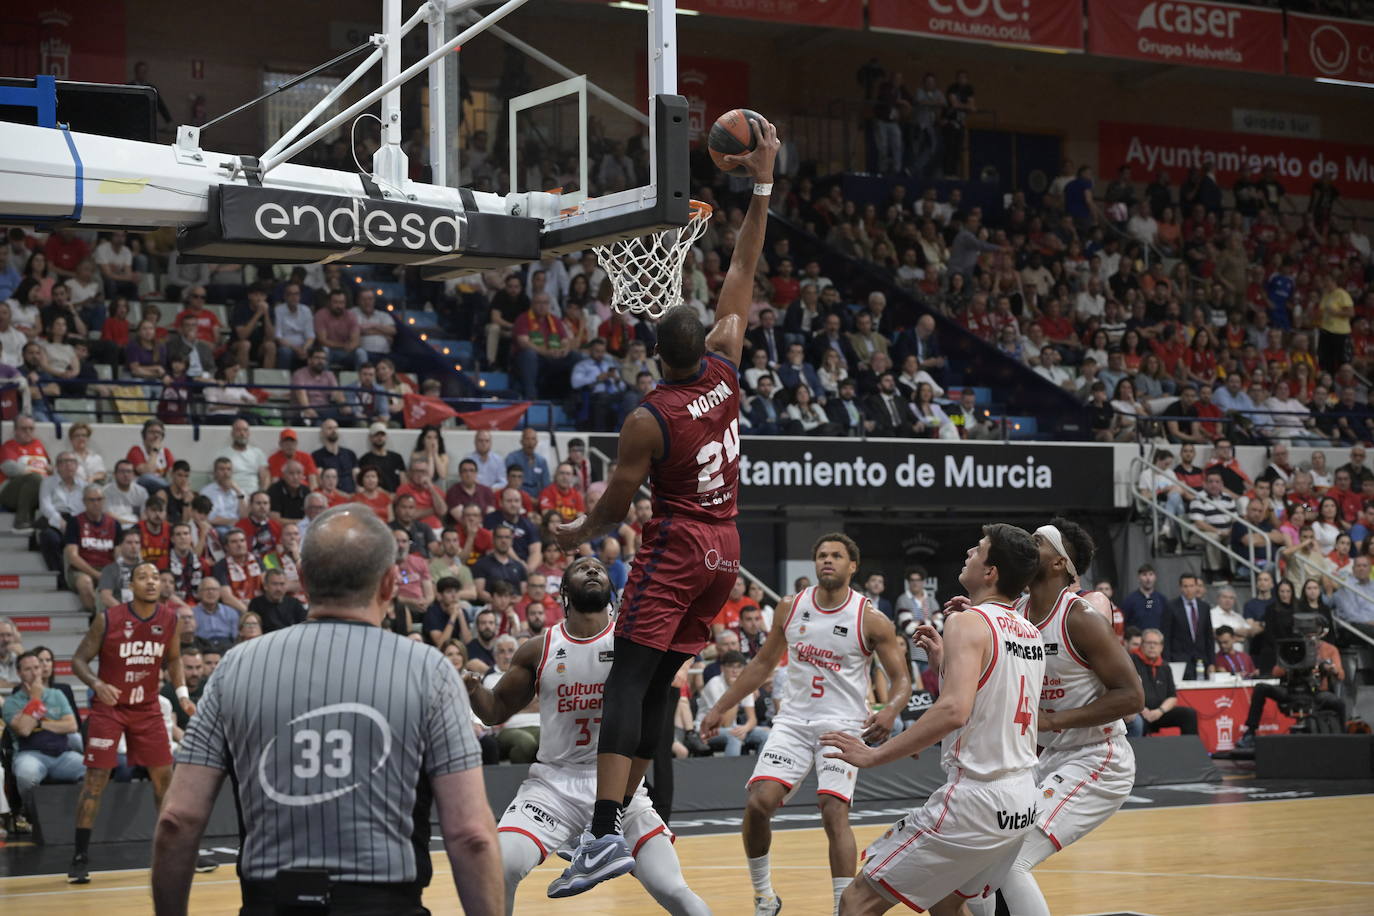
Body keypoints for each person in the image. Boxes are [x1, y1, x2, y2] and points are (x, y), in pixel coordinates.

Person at [547, 117, 778, 896]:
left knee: (626, 682)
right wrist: (765, 184)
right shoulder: (727, 367)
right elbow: (744, 262)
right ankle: (629, 812)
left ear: (656, 353)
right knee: (657, 687)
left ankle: (604, 832)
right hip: (727, 550)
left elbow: (613, 507)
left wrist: (576, 528)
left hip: (680, 545)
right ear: (708, 338)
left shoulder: (650, 416)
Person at [150, 505, 503, 915]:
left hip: (271, 901)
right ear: (390, 583)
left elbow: (177, 820)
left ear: (302, 580)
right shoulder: (431, 672)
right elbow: (472, 835)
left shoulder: (235, 667)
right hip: (386, 902)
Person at [465, 556, 708, 915]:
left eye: (598, 568)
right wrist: (472, 687)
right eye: (581, 568)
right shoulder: (539, 648)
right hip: (554, 788)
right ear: (563, 592)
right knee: (497, 866)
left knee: (673, 888)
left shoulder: (633, 645)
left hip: (619, 792)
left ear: (612, 591)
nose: (592, 570)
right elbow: (495, 710)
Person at [822, 524, 1043, 916]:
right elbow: (984, 700)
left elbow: (954, 711)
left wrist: (875, 755)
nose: (969, 553)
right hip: (1023, 799)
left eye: (977, 550)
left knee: (856, 902)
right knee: (946, 904)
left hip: (977, 798)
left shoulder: (968, 622)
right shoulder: (1029, 632)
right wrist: (944, 663)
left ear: (990, 572)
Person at [699, 533, 910, 916]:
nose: (827, 561)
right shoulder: (789, 607)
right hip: (793, 722)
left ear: (852, 565)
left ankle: (840, 908)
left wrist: (891, 710)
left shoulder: (871, 618)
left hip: (843, 723)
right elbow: (762, 664)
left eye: (836, 556)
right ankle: (764, 896)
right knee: (758, 804)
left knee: (833, 809)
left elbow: (902, 680)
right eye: (822, 555)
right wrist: (720, 706)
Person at [967, 520, 1143, 916]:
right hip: (1046, 759)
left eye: (1037, 543)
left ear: (1061, 563)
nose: (1029, 547)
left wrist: (1053, 721)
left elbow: (1132, 696)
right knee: (974, 863)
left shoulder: (1079, 617)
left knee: (1011, 863)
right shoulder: (1018, 613)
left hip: (1099, 758)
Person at [68, 561, 202, 883]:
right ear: (132, 585)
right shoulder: (108, 619)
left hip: (147, 708)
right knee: (95, 780)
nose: (151, 582)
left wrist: (182, 693)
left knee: (164, 780)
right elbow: (78, 661)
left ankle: (173, 853)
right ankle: (79, 855)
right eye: (143, 577)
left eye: (156, 577)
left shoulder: (169, 619)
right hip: (109, 709)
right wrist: (97, 684)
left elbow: (172, 659)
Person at [4, 650, 84, 797]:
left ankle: (78, 811)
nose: (34, 673)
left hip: (62, 754)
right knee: (26, 774)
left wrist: (40, 725)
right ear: (19, 673)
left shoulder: (57, 694)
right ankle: (27, 814)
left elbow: (72, 726)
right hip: (30, 754)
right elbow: (24, 730)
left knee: (92, 770)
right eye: (28, 669)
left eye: (36, 667)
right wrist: (36, 698)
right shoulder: (11, 703)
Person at [1125, 629, 1198, 736]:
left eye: (1155, 643)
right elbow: (1126, 692)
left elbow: (1172, 696)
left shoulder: (1165, 667)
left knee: (1188, 714)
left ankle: (1190, 751)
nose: (1152, 646)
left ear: (1161, 647)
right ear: (1141, 645)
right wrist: (1141, 709)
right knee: (1136, 721)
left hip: (1159, 712)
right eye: (1148, 643)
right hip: (1139, 711)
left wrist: (1160, 711)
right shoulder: (1130, 661)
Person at [1162, 574, 1215, 679]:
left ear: (1196, 587)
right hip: (1179, 661)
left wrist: (1212, 662)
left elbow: (1209, 636)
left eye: (1191, 586)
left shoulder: (1204, 607)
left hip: (1201, 661)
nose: (1189, 589)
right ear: (1180, 588)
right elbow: (1166, 637)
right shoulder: (1171, 606)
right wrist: (1166, 662)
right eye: (1185, 586)